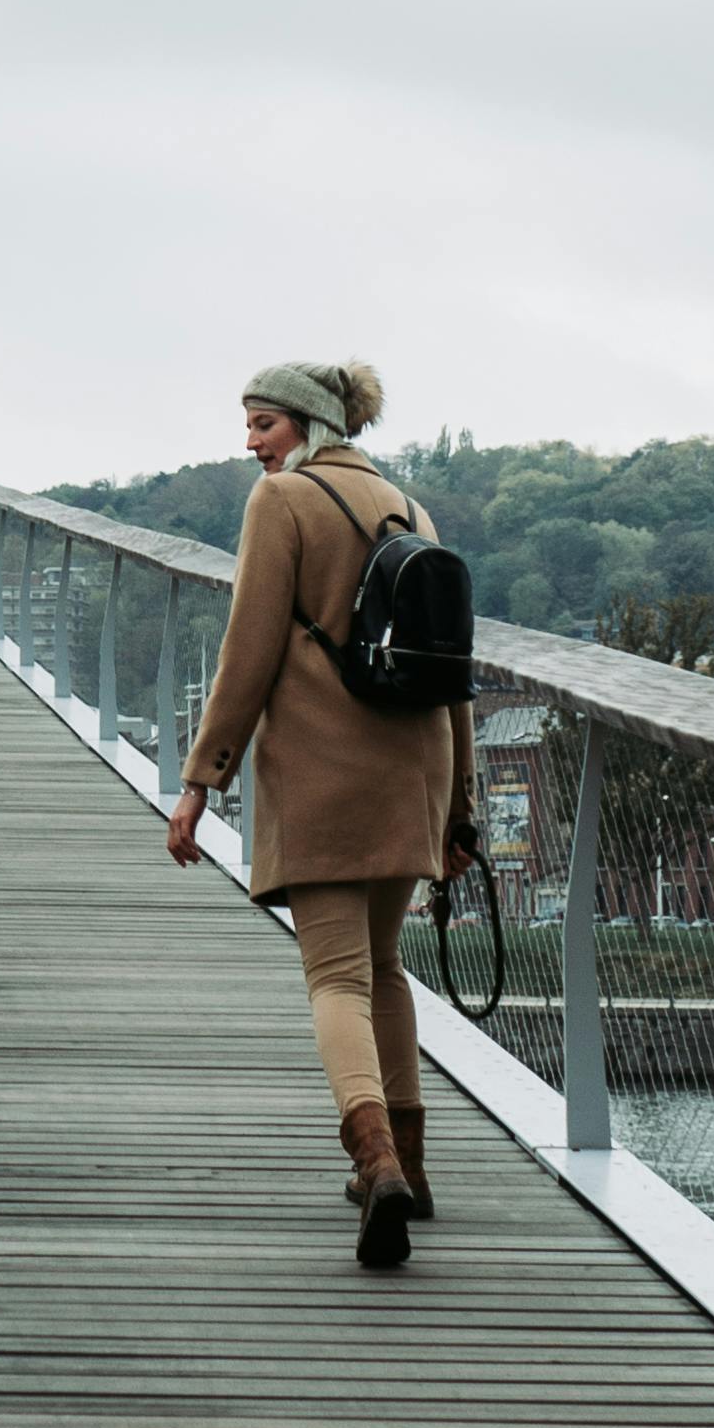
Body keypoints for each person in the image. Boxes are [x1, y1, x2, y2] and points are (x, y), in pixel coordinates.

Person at [164, 355, 478, 1272]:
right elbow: (455, 673)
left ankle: (372, 1159)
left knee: (335, 978)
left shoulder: (282, 505)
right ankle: (410, 1168)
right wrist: (458, 810)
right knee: (384, 970)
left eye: (263, 423)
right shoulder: (412, 510)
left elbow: (248, 652)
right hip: (413, 773)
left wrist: (199, 781)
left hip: (324, 778)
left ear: (307, 425)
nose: (251, 440)